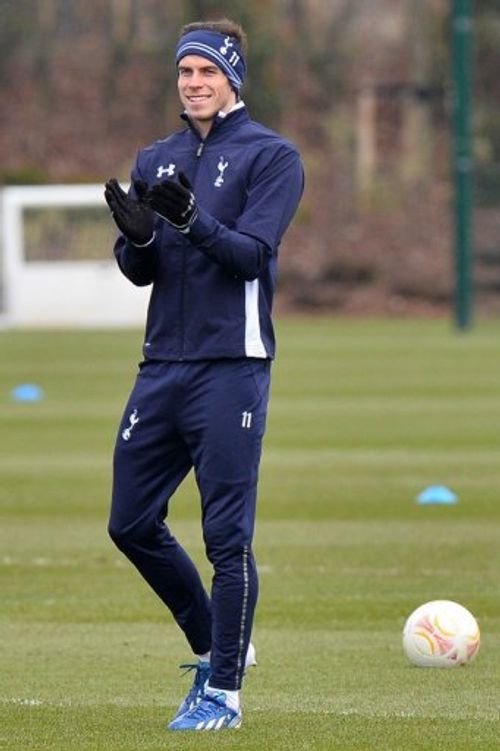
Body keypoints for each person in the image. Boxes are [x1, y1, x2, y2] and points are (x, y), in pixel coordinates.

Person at [104, 17, 304, 731]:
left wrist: (190, 220)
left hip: (232, 368)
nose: (193, 83)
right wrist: (136, 241)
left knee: (227, 538)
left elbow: (252, 256)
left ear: (232, 79)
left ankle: (223, 693)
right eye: (185, 73)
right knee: (128, 522)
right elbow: (140, 272)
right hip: (161, 367)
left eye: (207, 72)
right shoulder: (155, 155)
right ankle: (221, 642)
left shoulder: (273, 157)